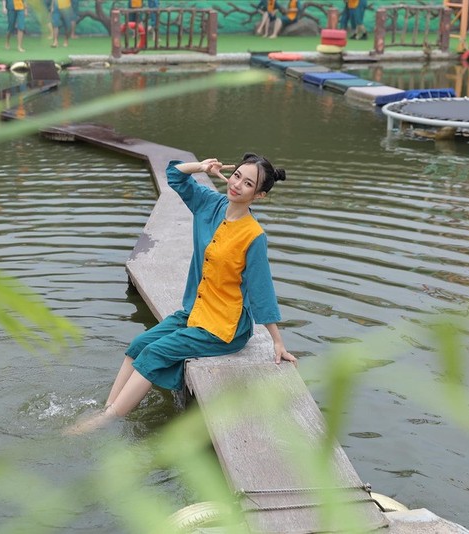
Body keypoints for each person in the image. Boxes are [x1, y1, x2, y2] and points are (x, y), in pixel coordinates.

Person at [66, 154, 297, 434]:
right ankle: (109, 407)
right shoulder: (210, 204)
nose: (237, 184)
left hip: (224, 327)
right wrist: (199, 167)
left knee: (154, 353)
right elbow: (175, 175)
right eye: (236, 175)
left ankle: (107, 419)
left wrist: (277, 341)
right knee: (139, 344)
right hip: (195, 312)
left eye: (248, 183)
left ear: (258, 195)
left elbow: (262, 290)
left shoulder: (253, 236)